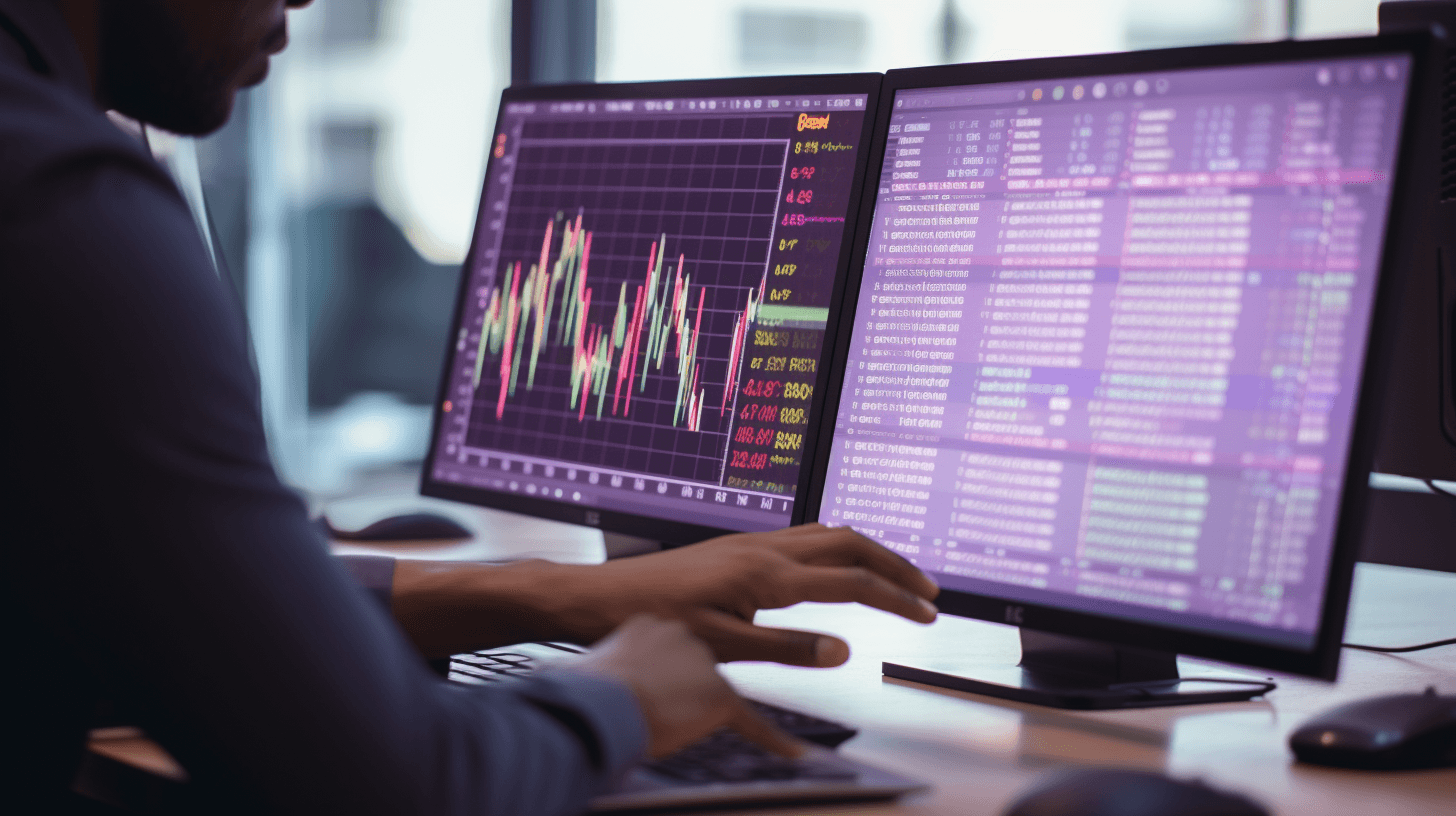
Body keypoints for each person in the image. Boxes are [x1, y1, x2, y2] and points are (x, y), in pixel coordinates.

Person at [0, 2, 940, 814]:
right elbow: (395, 784)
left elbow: (179, 597)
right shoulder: (58, 204)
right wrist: (619, 696)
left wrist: (549, 593)